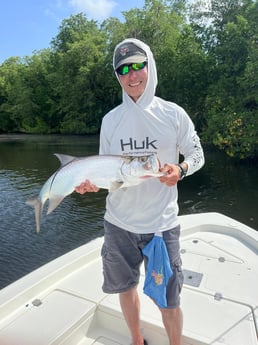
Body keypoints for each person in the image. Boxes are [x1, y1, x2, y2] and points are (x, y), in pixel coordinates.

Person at [76, 38, 205, 345]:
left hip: (161, 226)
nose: (132, 75)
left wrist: (181, 169)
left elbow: (197, 154)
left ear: (150, 66)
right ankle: (136, 339)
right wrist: (88, 184)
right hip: (118, 224)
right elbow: (107, 173)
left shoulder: (173, 114)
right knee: (125, 288)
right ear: (117, 76)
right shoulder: (111, 120)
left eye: (137, 66)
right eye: (123, 70)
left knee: (169, 300)